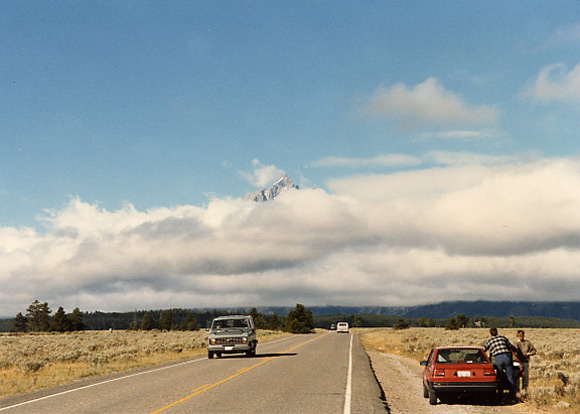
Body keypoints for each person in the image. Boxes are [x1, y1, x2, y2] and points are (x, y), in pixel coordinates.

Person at [484, 327, 517, 402]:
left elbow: (484, 349)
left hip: (498, 358)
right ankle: (512, 398)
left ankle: (500, 399)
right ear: (497, 332)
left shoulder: (489, 340)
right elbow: (510, 347)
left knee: (500, 378)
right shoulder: (503, 338)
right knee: (510, 377)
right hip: (507, 357)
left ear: (490, 333)